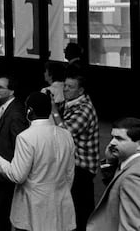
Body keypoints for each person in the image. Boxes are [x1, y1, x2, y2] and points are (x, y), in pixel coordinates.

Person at [0, 91, 76, 231]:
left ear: (29, 111)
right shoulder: (66, 135)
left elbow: (17, 175)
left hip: (33, 209)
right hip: (60, 206)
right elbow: (69, 174)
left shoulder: (26, 137)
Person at [52, 74, 99, 231]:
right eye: (64, 85)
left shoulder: (84, 109)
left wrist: (54, 111)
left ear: (81, 90)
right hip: (73, 165)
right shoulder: (70, 103)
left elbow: (65, 133)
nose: (65, 89)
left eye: (70, 87)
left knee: (81, 212)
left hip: (82, 167)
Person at [0, 76, 28, 231]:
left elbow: (20, 144)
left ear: (11, 90)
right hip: (1, 169)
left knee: (1, 211)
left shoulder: (16, 114)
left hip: (7, 171)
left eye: (0, 87)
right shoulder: (5, 107)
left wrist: (3, 163)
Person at [87, 117, 140, 230]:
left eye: (119, 139)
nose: (112, 143)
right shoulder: (129, 164)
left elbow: (131, 226)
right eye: (112, 137)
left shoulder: (133, 176)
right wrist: (110, 162)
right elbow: (117, 189)